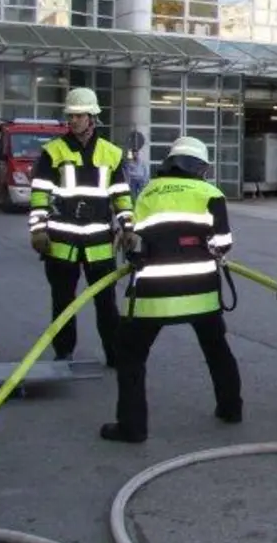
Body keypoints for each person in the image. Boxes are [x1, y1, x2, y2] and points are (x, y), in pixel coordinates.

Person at [101, 137, 242, 443]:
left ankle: (132, 427)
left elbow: (135, 244)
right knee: (217, 349)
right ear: (201, 168)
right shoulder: (211, 194)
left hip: (153, 295)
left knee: (131, 355)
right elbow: (222, 245)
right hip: (201, 292)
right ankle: (231, 408)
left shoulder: (149, 191)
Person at [28, 87, 132, 366]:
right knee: (62, 303)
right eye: (70, 115)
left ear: (92, 117)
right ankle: (64, 354)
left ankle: (114, 354)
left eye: (78, 115)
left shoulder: (111, 153)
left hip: (99, 243)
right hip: (61, 243)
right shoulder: (53, 151)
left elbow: (121, 193)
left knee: (106, 305)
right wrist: (37, 229)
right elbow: (39, 193)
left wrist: (128, 227)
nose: (73, 120)